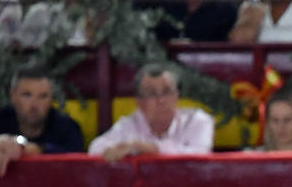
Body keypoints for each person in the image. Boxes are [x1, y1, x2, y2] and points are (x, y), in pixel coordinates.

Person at [0, 66, 84, 178]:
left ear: (51, 99)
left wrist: (25, 148)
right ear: (13, 96)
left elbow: (79, 162)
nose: (34, 104)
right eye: (27, 95)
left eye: (43, 96)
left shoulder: (67, 127)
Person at [88, 63, 216, 159]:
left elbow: (200, 154)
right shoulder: (128, 124)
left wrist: (151, 149)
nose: (161, 100)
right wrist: (113, 150)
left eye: (167, 92)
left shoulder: (197, 121)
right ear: (139, 102)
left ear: (177, 96)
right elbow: (95, 148)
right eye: (152, 94)